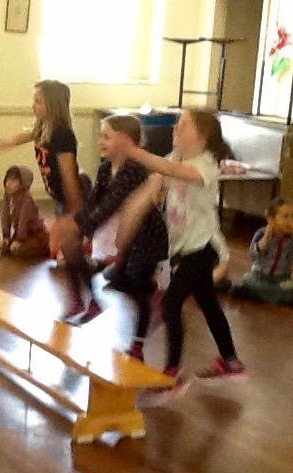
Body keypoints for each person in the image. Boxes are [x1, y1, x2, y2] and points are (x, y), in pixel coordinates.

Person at [113, 109, 247, 406]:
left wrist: (132, 150)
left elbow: (170, 170)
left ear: (202, 136)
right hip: (184, 248)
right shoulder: (176, 156)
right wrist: (134, 210)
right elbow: (157, 180)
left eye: (183, 125)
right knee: (208, 302)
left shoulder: (206, 165)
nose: (176, 128)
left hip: (203, 247)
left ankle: (172, 373)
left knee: (171, 304)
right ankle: (231, 361)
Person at [0, 80, 94, 322]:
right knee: (71, 253)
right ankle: (80, 301)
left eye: (38, 101)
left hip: (72, 198)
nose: (33, 105)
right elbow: (14, 140)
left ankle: (90, 301)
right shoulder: (42, 129)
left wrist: (74, 212)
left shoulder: (62, 135)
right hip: (61, 198)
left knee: (73, 252)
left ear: (52, 105)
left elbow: (69, 175)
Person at [52, 114, 168, 360]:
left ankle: (138, 344)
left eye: (107, 137)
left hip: (146, 239)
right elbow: (95, 202)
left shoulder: (133, 170)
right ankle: (88, 302)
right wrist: (77, 227)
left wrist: (81, 228)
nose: (100, 141)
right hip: (121, 233)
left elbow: (109, 206)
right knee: (73, 248)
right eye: (100, 136)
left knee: (136, 288)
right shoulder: (106, 168)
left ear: (125, 141)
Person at [230, 198, 293, 305]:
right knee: (248, 280)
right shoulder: (261, 233)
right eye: (285, 217)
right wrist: (266, 238)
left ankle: (257, 294)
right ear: (271, 220)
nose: (291, 220)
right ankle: (275, 296)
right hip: (259, 276)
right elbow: (253, 255)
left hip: (281, 279)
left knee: (287, 288)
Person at [0, 165, 49, 259]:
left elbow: (23, 220)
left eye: (13, 181)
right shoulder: (8, 196)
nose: (8, 184)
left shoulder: (27, 199)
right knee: (5, 248)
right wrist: (6, 236)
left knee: (18, 251)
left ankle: (44, 247)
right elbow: (5, 216)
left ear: (23, 183)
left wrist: (20, 240)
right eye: (7, 180)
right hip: (20, 232)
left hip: (34, 233)